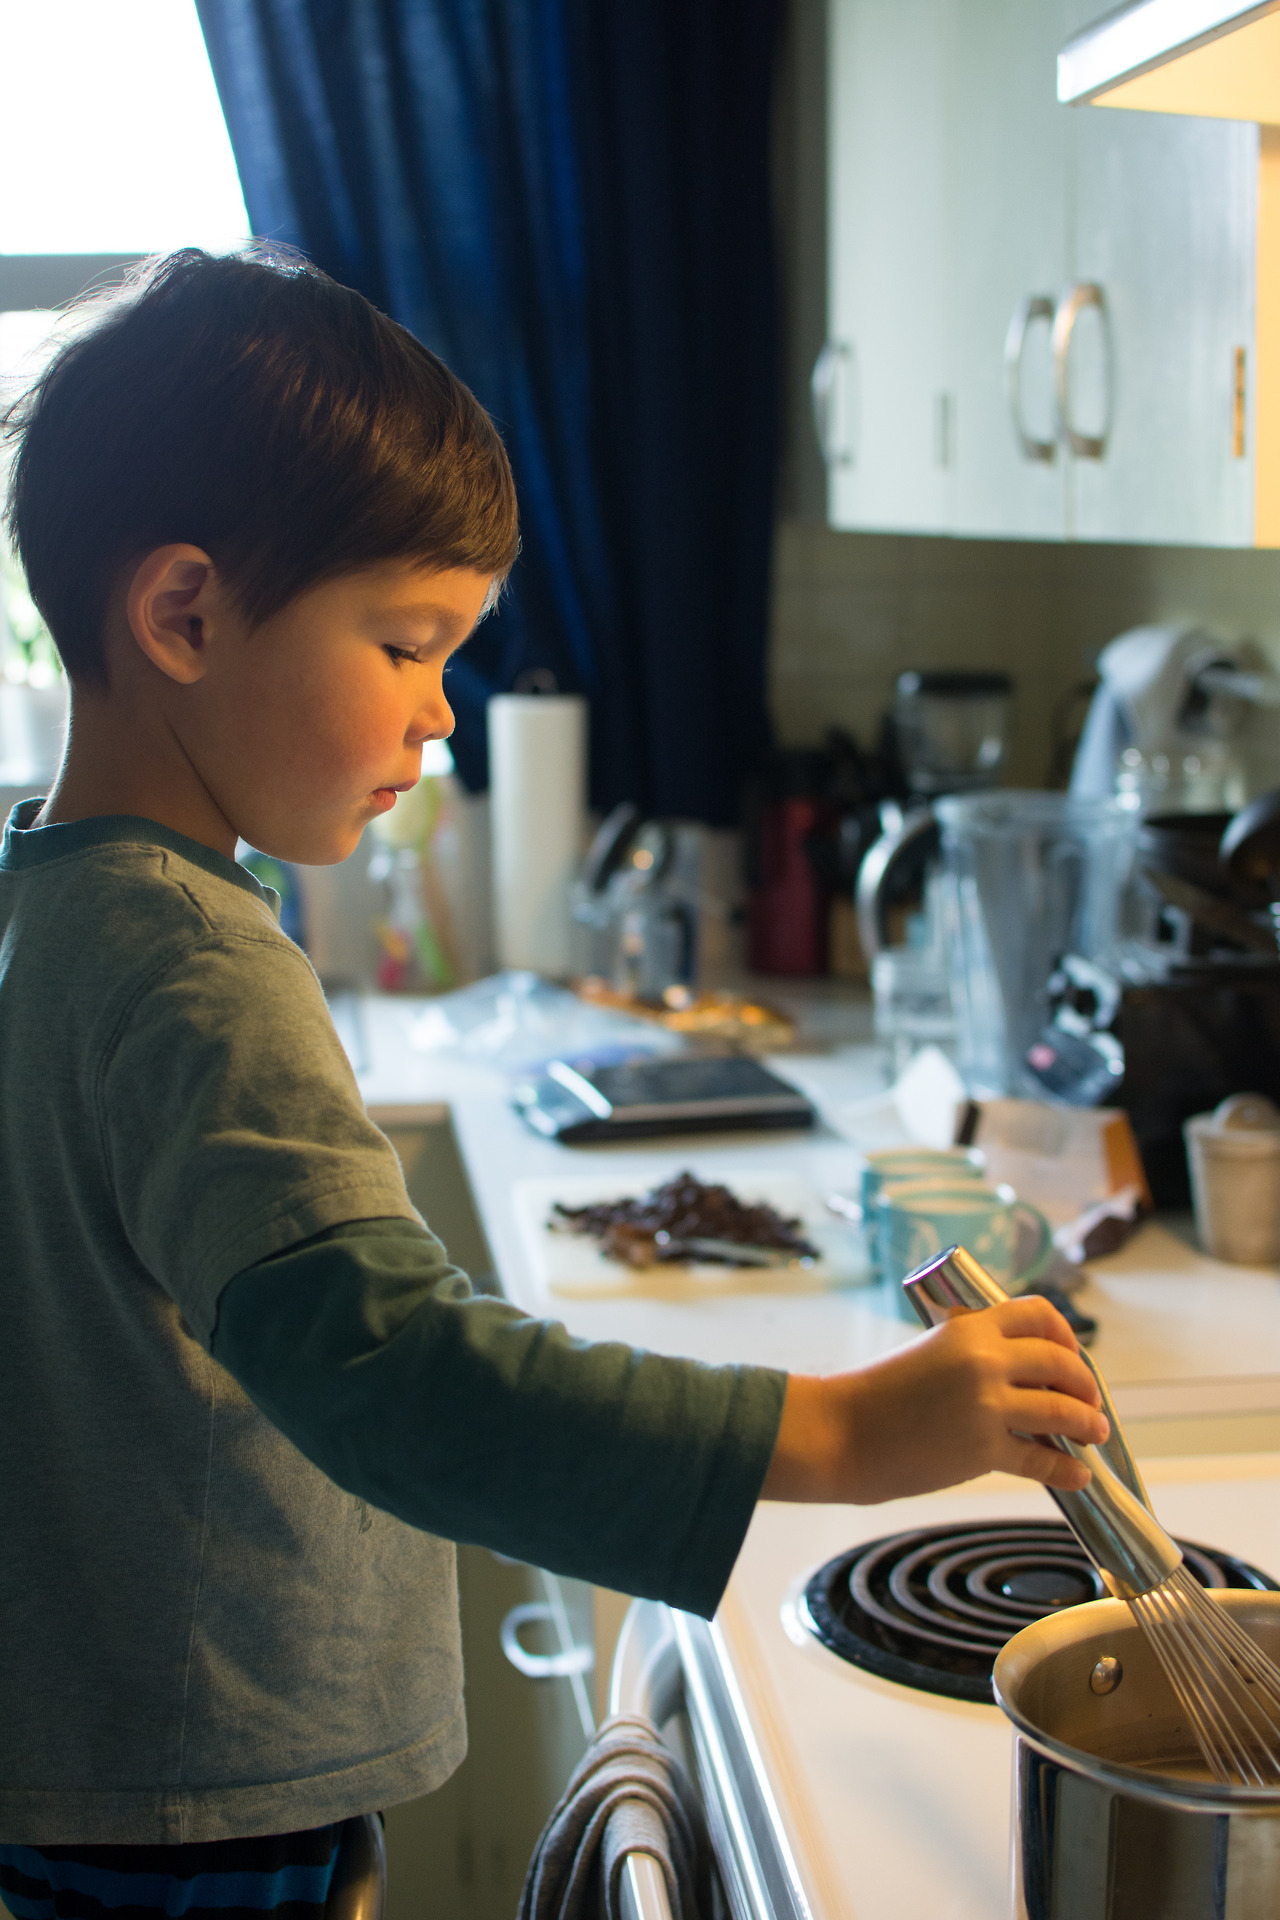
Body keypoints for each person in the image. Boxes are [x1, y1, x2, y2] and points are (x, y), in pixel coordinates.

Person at [0, 249, 1106, 1920]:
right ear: (186, 615)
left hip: (96, 1763)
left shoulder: (53, 899)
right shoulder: (190, 966)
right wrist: (848, 1428)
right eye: (406, 643)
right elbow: (399, 1375)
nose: (440, 714)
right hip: (194, 1800)